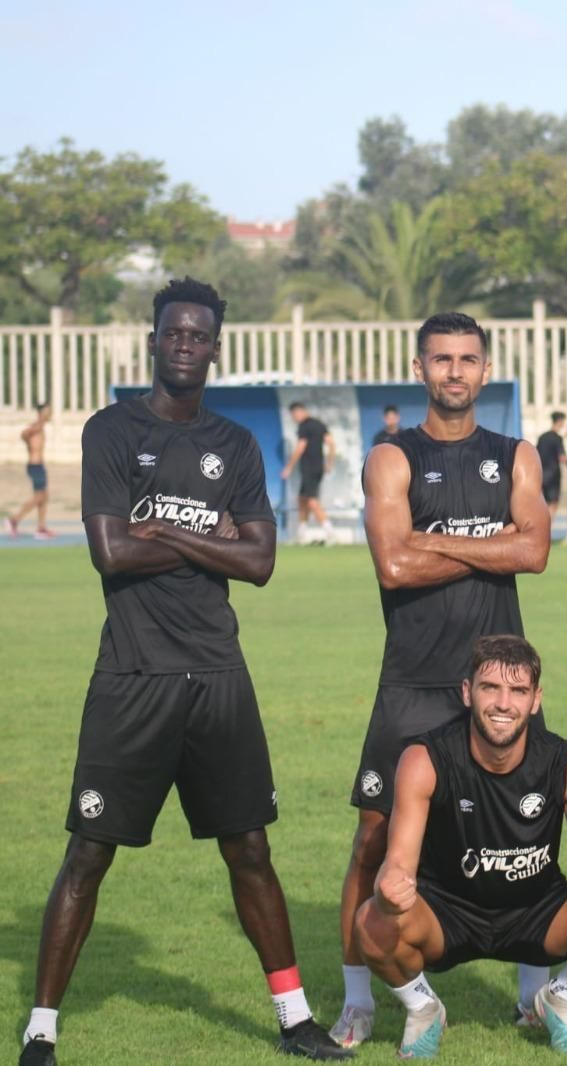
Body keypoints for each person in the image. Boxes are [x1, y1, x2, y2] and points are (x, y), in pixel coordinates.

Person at [17, 277, 349, 1066]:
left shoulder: (234, 445)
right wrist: (209, 539)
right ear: (154, 341)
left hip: (217, 675)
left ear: (214, 347)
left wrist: (161, 528)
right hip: (133, 675)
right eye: (175, 333)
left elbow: (260, 561)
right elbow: (109, 551)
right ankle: (41, 1029)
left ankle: (295, 1019)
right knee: (88, 854)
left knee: (251, 850)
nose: (186, 345)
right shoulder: (111, 431)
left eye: (200, 335)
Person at [336, 311, 552, 1049]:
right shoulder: (391, 457)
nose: (454, 371)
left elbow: (536, 553)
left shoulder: (516, 455)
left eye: (466, 359)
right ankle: (358, 1002)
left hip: (501, 683)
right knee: (373, 841)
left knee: (526, 831)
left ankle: (533, 997)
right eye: (441, 359)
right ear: (419, 368)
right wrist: (492, 541)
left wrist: (433, 538)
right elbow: (393, 565)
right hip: (414, 680)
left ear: (485, 370)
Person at [354, 635, 567, 1057]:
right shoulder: (425, 759)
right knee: (371, 921)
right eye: (490, 688)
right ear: (467, 692)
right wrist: (389, 886)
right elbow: (398, 862)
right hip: (447, 912)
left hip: (536, 911)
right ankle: (423, 1008)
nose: (503, 704)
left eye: (518, 691)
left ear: (536, 699)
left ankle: (560, 998)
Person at [282, 401, 335, 540]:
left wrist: (289, 467)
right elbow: (331, 443)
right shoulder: (319, 424)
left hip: (310, 467)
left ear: (298, 412)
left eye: (293, 415)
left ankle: (330, 532)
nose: (294, 418)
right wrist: (329, 463)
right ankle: (302, 532)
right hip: (317, 467)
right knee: (302, 498)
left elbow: (301, 447)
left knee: (312, 500)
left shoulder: (304, 426)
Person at [8, 402, 53, 538]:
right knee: (39, 496)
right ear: (41, 413)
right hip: (35, 466)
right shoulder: (36, 426)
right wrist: (27, 436)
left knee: (44, 496)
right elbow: (24, 434)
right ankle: (14, 520)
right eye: (48, 411)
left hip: (40, 465)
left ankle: (41, 527)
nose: (50, 413)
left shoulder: (40, 427)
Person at [537, 411, 567, 510]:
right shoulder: (557, 438)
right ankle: (549, 520)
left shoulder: (542, 437)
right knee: (553, 502)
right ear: (560, 421)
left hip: (541, 473)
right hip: (553, 475)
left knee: (542, 502)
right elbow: (562, 457)